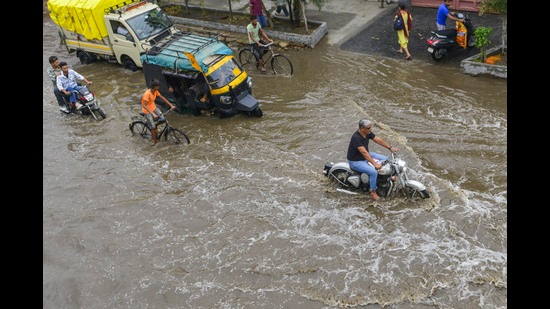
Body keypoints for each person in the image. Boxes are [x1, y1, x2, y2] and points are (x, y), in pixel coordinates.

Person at [346, 119, 399, 201]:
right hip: (356, 161)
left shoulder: (367, 133)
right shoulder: (356, 138)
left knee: (386, 159)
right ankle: (373, 192)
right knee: (373, 172)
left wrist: (390, 148)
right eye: (368, 128)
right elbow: (364, 152)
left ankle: (383, 180)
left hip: (364, 157)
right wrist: (375, 164)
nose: (370, 129)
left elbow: (377, 140)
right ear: (361, 128)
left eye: (370, 127)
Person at [141, 79, 176, 144]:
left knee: (163, 119)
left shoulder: (155, 91)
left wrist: (171, 105)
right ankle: (155, 141)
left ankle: (155, 127)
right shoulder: (147, 94)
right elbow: (144, 105)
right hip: (147, 111)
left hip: (154, 108)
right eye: (158, 86)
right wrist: (153, 114)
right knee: (152, 127)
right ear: (154, 87)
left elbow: (162, 98)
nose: (159, 87)